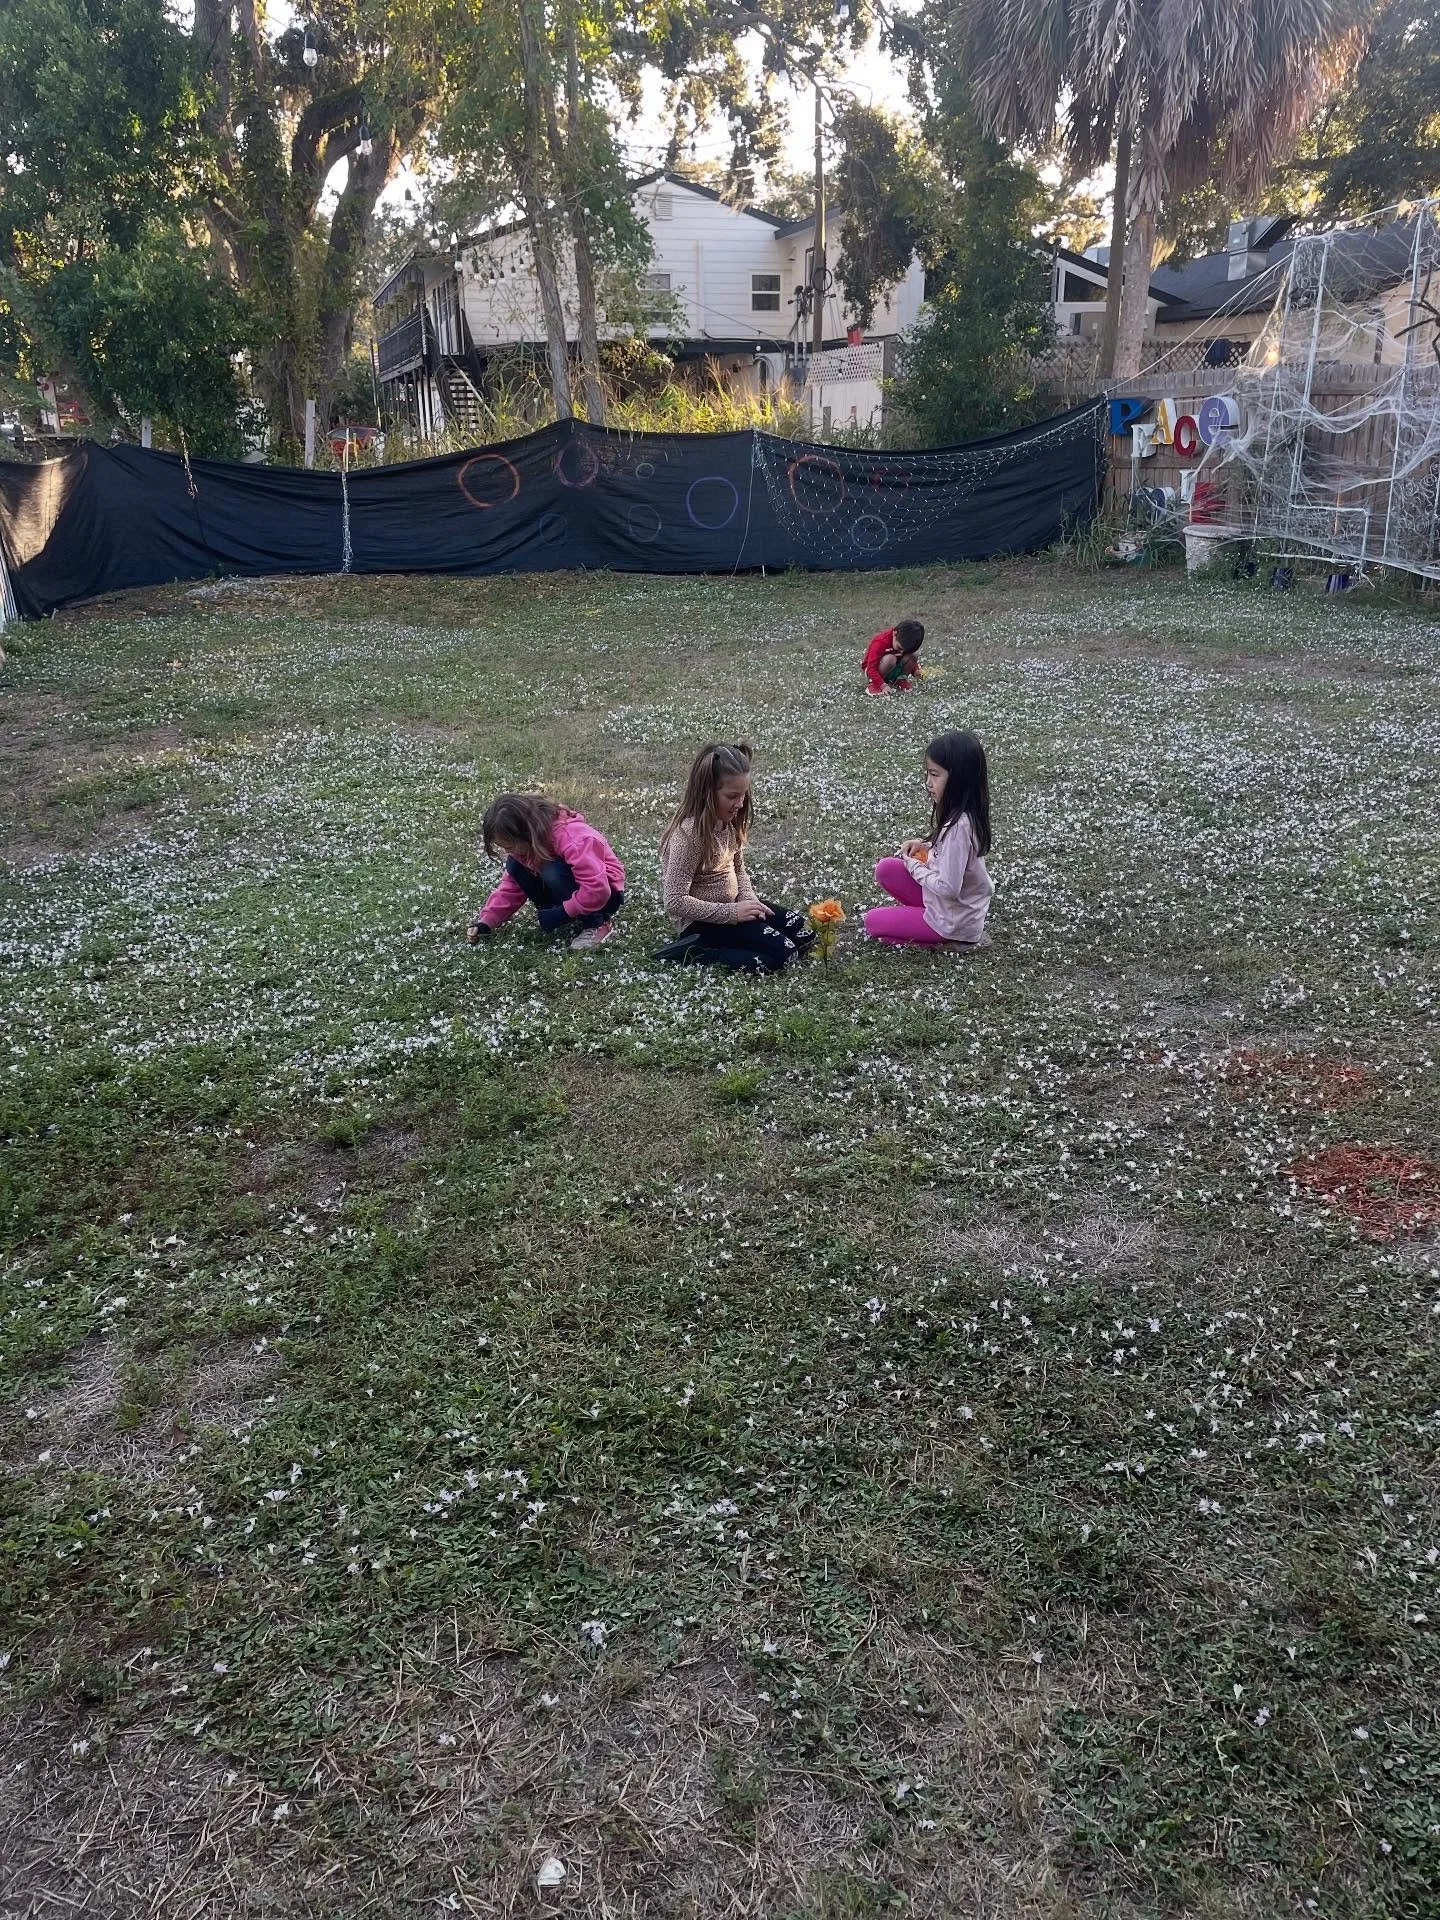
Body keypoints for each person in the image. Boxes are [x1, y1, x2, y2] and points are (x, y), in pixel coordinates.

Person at [656, 742, 814, 973]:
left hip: (734, 908)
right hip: (703, 923)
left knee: (804, 933)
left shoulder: (729, 821)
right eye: (732, 796)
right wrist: (731, 914)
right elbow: (675, 901)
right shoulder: (689, 836)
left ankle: (739, 939)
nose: (740, 804)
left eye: (743, 795)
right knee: (784, 954)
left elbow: (738, 869)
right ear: (706, 792)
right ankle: (695, 952)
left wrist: (748, 901)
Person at [865, 731, 993, 950]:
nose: (928, 783)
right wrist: (925, 846)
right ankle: (941, 927)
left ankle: (954, 942)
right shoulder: (961, 817)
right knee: (885, 868)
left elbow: (948, 887)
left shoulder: (959, 828)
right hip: (953, 908)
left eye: (935, 774)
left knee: (872, 923)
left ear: (959, 778)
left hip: (952, 921)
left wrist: (914, 865)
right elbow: (952, 856)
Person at [467, 793, 625, 951]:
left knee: (550, 870)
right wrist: (487, 922)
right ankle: (572, 910)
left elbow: (598, 890)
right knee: (515, 866)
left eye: (509, 846)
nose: (507, 851)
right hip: (571, 890)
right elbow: (512, 887)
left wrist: (563, 912)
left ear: (527, 833)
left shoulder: (574, 840)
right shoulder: (526, 847)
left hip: (606, 895)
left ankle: (597, 923)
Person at [862, 618, 924, 695]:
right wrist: (883, 686)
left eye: (904, 651)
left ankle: (900, 680)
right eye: (900, 648)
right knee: (890, 659)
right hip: (874, 671)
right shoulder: (881, 641)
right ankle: (875, 685)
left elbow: (909, 656)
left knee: (914, 654)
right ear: (894, 634)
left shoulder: (903, 643)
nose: (901, 652)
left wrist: (915, 670)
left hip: (894, 667)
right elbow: (871, 669)